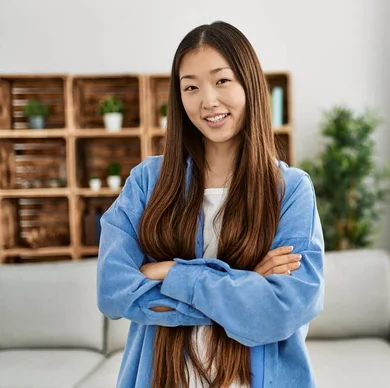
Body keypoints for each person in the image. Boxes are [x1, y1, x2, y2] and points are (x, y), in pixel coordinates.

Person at [96, 21, 325, 388]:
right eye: (191, 87)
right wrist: (246, 283)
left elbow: (283, 310)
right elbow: (112, 291)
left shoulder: (291, 189)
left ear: (248, 83)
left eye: (221, 81)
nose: (208, 101)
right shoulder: (147, 182)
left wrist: (170, 272)